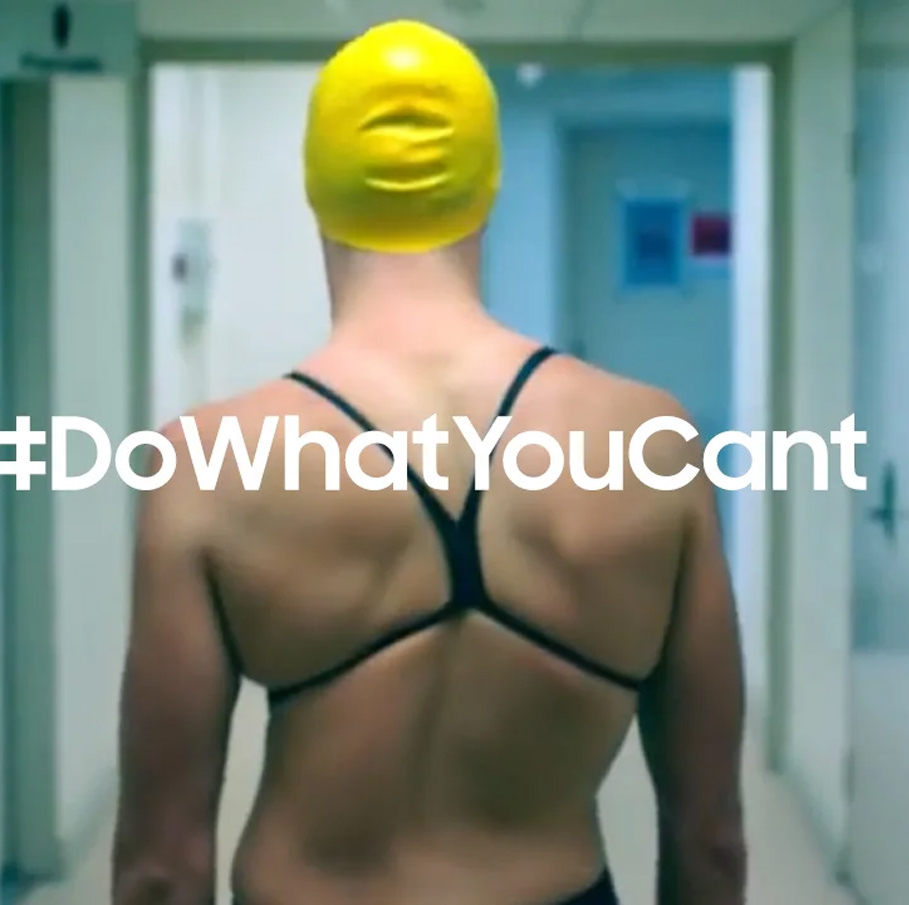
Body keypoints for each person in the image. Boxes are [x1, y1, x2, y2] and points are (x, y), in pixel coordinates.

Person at [110, 19, 746, 905]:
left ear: (316, 190)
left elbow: (160, 866)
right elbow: (709, 835)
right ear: (487, 189)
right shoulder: (655, 444)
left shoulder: (207, 468)